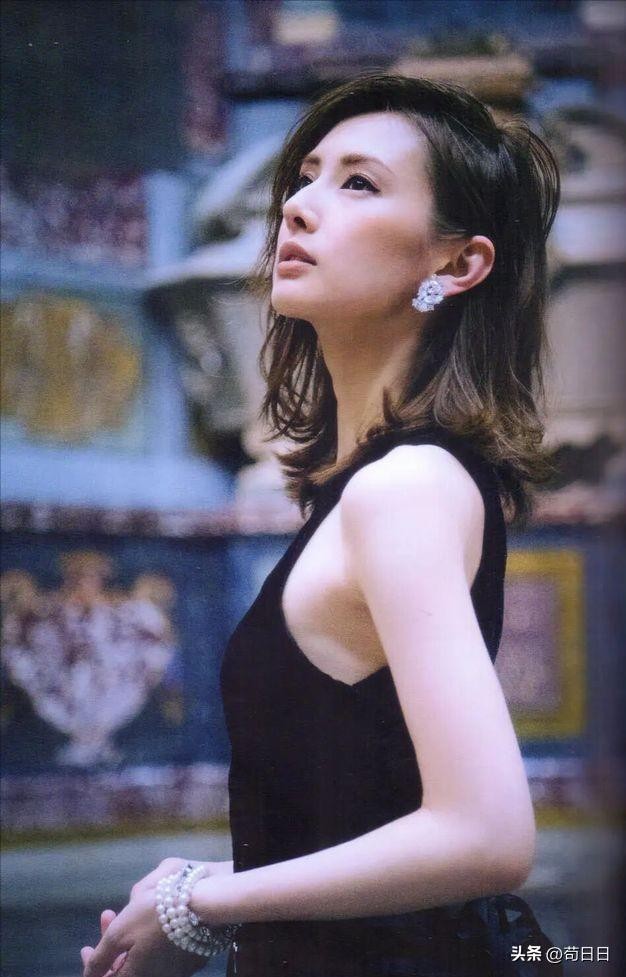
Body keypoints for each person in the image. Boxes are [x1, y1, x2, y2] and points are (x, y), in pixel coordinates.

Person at [81, 72, 563, 977]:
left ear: (458, 264)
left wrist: (200, 904)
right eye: (304, 178)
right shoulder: (376, 483)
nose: (297, 206)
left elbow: (487, 835)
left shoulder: (406, 487)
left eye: (358, 183)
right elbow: (362, 809)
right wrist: (204, 887)